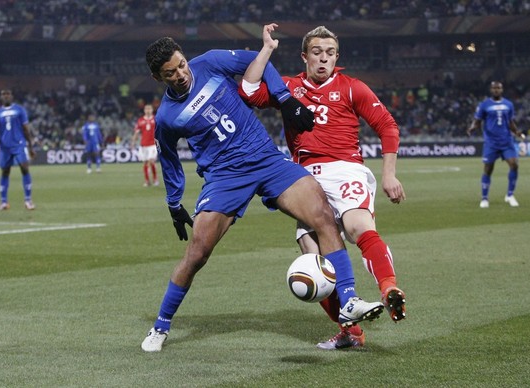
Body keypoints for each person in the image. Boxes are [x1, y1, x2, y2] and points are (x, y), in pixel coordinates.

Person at [140, 35, 385, 352]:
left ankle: (349, 299)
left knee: (322, 214)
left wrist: (284, 98)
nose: (181, 74)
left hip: (267, 160)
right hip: (225, 177)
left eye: (182, 65)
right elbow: (169, 161)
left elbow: (258, 60)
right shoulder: (166, 118)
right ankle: (160, 326)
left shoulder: (212, 61)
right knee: (197, 254)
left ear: (185, 58)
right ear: (158, 77)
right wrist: (174, 203)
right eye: (170, 73)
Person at [240, 24, 407, 350]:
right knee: (312, 262)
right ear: (304, 56)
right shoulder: (287, 86)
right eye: (316, 52)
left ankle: (389, 288)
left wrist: (389, 175)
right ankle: (350, 331)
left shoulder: (351, 88)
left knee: (358, 226)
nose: (323, 59)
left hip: (345, 170)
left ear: (337, 57)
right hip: (305, 179)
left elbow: (386, 125)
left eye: (329, 53)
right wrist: (266, 50)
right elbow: (248, 92)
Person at [467, 81, 524, 208]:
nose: (496, 90)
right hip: (491, 143)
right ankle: (484, 198)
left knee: (514, 165)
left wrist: (516, 132)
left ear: (502, 89)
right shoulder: (484, 105)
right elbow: (477, 121)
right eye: (494, 88)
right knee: (488, 169)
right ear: (491, 90)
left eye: (498, 88)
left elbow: (510, 122)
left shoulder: (508, 104)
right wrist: (472, 128)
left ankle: (510, 195)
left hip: (506, 141)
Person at [0, 89, 36, 211]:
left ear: (12, 96)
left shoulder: (19, 110)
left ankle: (28, 200)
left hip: (19, 145)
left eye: (8, 94)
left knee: (24, 168)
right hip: (5, 147)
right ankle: (4, 202)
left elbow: (26, 129)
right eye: (3, 94)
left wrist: (31, 146)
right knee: (5, 172)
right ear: (1, 97)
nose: (6, 96)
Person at [130, 104, 159, 186]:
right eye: (146, 109)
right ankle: (147, 181)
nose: (148, 110)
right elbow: (136, 133)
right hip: (143, 145)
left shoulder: (156, 119)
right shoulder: (140, 120)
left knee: (151, 160)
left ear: (152, 110)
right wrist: (133, 142)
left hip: (153, 144)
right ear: (144, 110)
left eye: (149, 108)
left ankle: (155, 179)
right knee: (146, 163)